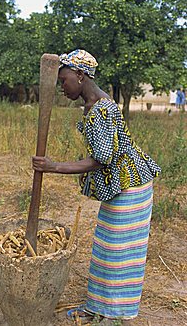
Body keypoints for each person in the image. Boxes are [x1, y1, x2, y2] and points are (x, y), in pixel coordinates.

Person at [32, 49, 161, 324]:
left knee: (120, 253)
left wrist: (54, 166)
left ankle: (115, 314)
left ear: (80, 76)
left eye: (64, 81)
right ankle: (98, 307)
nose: (62, 88)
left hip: (132, 187)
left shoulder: (101, 109)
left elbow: (102, 159)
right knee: (106, 249)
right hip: (122, 186)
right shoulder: (93, 105)